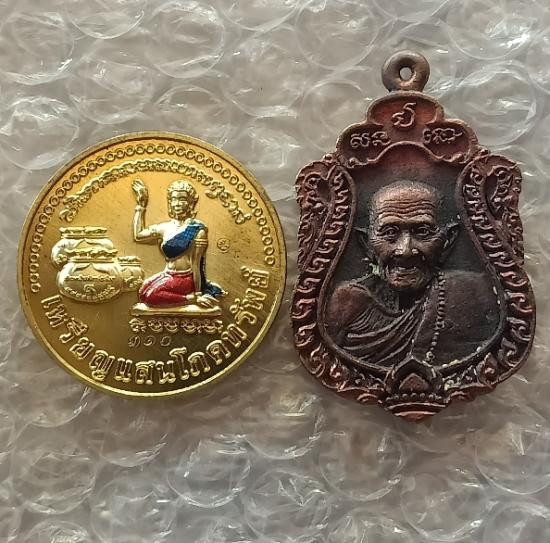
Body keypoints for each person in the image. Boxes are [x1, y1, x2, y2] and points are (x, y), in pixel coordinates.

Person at [326, 180, 499, 367]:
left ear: (448, 240)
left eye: (422, 231)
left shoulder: (476, 295)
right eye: (390, 232)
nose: (405, 250)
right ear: (366, 243)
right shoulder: (347, 303)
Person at [131, 178, 224, 314]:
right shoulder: (165, 227)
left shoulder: (197, 230)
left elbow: (197, 265)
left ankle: (189, 298)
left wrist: (198, 294)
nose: (177, 204)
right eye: (174, 199)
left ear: (190, 203)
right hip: (168, 274)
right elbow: (138, 235)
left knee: (150, 296)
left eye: (182, 199)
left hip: (184, 278)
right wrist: (141, 205)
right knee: (142, 292)